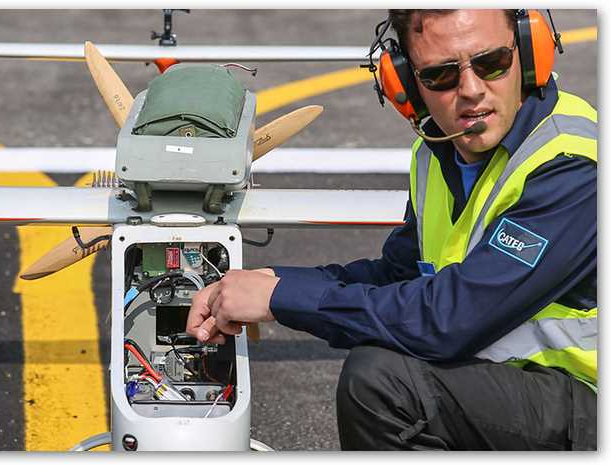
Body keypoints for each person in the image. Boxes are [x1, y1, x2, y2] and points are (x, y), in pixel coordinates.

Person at [186, 9, 596, 450]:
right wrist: (277, 281)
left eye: (492, 62)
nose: (472, 90)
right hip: (520, 395)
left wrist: (281, 300)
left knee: (381, 382)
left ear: (529, 52)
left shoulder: (573, 166)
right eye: (440, 75)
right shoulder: (437, 155)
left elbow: (450, 318)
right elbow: (398, 277)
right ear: (406, 84)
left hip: (590, 410)